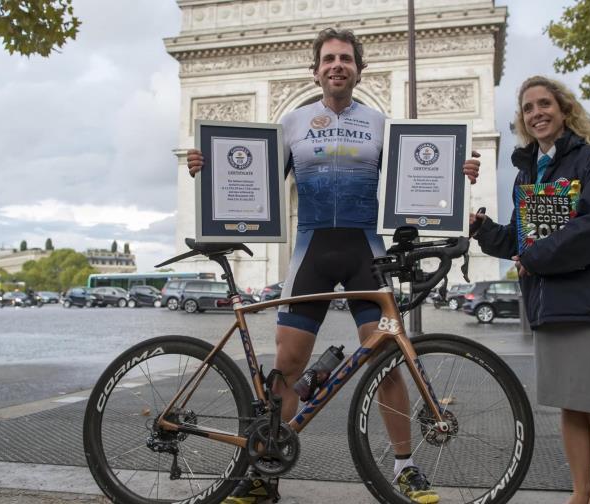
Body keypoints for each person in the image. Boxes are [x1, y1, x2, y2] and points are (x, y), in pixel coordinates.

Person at [186, 27, 480, 504]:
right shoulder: (292, 124)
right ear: (316, 70)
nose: (337, 65)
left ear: (360, 70)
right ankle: (264, 474)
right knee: (287, 365)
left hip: (366, 251)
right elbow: (252, 180)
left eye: (345, 58)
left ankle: (405, 467)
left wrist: (457, 174)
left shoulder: (381, 125)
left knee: (387, 362)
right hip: (312, 251)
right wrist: (210, 170)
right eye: (329, 59)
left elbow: (418, 180)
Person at [471, 75, 590, 504]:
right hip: (550, 303)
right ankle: (580, 493)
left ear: (564, 110)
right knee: (571, 404)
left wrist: (536, 257)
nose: (537, 113)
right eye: (528, 108)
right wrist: (483, 230)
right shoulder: (527, 171)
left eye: (544, 104)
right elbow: (522, 241)